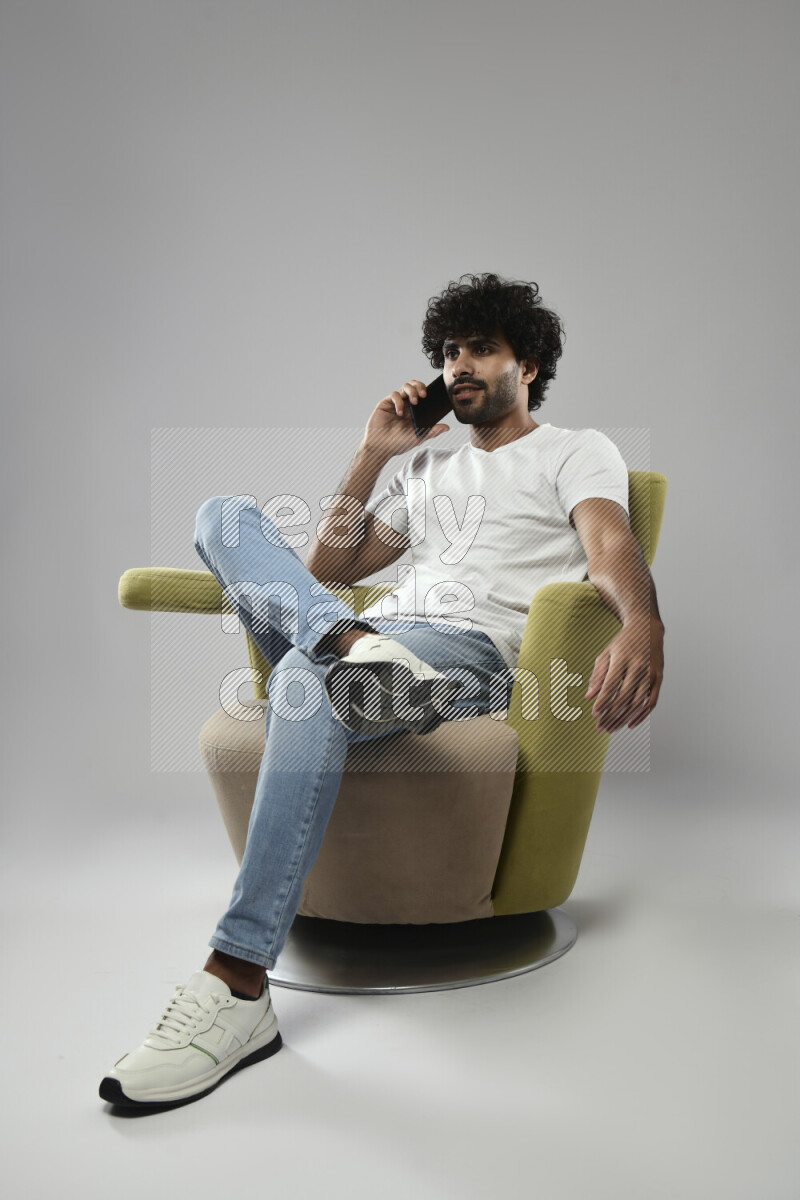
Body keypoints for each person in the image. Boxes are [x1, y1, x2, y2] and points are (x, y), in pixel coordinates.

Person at [99, 272, 665, 1111]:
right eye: (447, 351)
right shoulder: (429, 470)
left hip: (462, 658)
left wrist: (644, 622)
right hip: (377, 640)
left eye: (480, 348)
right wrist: (373, 454)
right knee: (223, 515)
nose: (458, 363)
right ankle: (347, 646)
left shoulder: (574, 450)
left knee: (300, 681)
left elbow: (611, 544)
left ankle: (237, 978)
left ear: (531, 364)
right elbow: (322, 572)